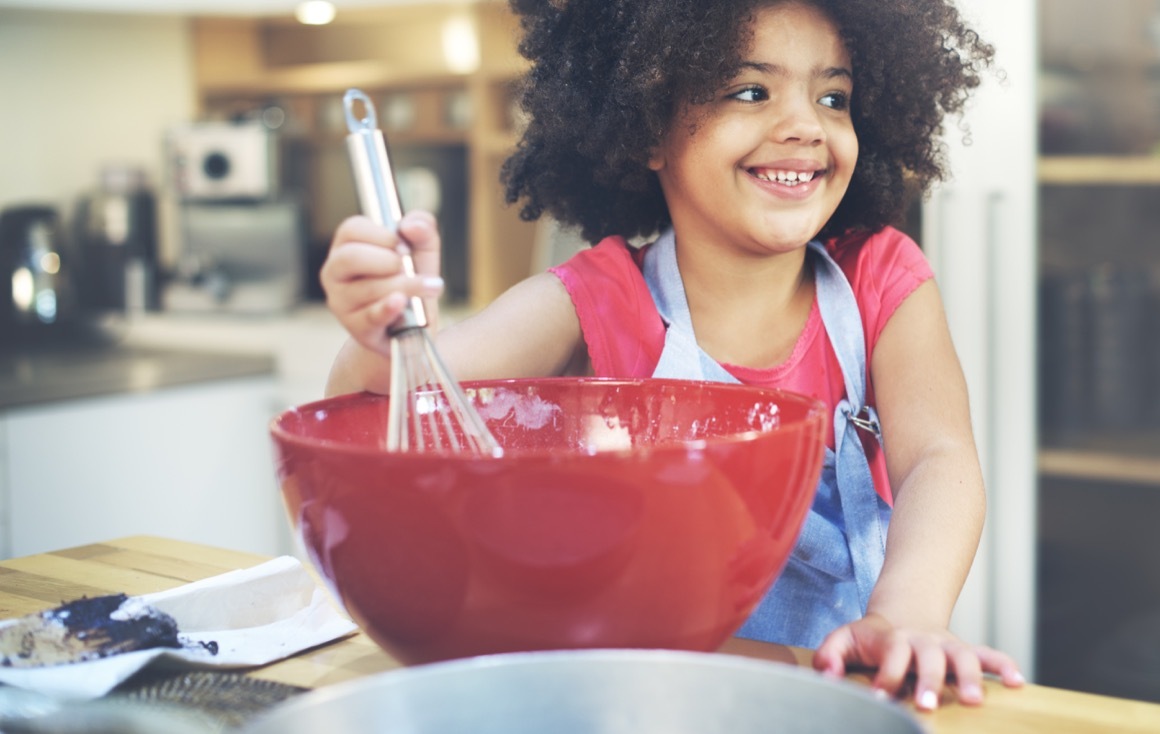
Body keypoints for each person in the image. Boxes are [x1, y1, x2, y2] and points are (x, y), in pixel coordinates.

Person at [321, 0, 1026, 711]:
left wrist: (907, 614)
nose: (806, 126)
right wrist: (385, 333)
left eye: (832, 97)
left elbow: (938, 458)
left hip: (844, 693)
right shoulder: (594, 299)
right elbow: (395, 399)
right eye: (751, 91)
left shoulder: (881, 277)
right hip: (655, 703)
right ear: (648, 127)